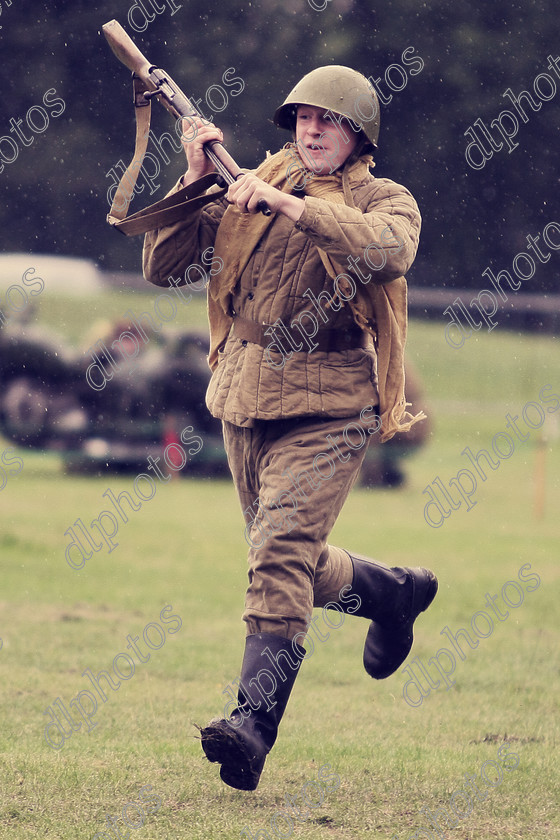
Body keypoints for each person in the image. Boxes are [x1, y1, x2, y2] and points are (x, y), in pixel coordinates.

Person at [142, 65, 438, 791]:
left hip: (334, 403)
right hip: (245, 394)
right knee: (291, 564)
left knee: (277, 554)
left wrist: (291, 204)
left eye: (327, 120)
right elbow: (164, 265)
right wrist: (193, 179)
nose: (310, 130)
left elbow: (386, 251)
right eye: (302, 118)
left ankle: (251, 725)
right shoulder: (248, 184)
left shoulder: (384, 198)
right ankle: (393, 595)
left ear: (358, 134)